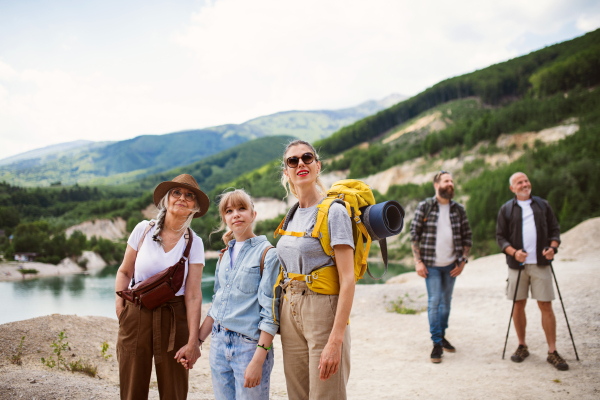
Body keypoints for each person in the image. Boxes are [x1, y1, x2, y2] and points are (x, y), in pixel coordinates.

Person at [179, 189, 280, 399]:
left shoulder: (268, 254)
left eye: (242, 208)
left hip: (249, 348)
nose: (236, 214)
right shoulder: (224, 255)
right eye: (229, 210)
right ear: (224, 218)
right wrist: (196, 343)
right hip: (218, 344)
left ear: (253, 214)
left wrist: (258, 360)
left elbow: (270, 315)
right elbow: (218, 305)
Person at [115, 174, 208, 399]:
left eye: (189, 195)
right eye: (176, 193)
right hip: (137, 313)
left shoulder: (194, 242)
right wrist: (121, 310)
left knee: (174, 391)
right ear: (166, 200)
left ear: (194, 206)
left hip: (175, 318)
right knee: (132, 389)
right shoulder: (143, 230)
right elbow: (125, 272)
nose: (182, 198)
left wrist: (193, 341)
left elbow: (194, 295)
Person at [275, 140, 355, 399]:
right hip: (290, 311)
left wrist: (336, 339)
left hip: (323, 310)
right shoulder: (291, 214)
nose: (300, 163)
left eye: (307, 158)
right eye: (293, 160)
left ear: (317, 166)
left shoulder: (334, 212)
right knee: (297, 394)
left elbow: (348, 279)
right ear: (286, 172)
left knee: (326, 393)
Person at [496, 172, 567, 370]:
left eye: (526, 180)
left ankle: (552, 351)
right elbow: (500, 237)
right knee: (518, 304)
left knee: (546, 305)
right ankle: (522, 345)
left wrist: (553, 248)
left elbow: (555, 230)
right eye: (519, 182)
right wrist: (513, 252)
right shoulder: (506, 209)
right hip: (517, 264)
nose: (524, 184)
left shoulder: (543, 205)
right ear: (512, 188)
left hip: (541, 262)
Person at [410, 170, 472, 363]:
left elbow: (467, 236)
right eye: (446, 181)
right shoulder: (425, 206)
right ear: (436, 185)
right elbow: (414, 234)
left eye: (452, 181)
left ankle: (441, 335)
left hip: (452, 265)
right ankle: (437, 343)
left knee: (446, 303)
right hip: (431, 266)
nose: (450, 184)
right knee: (435, 301)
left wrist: (463, 261)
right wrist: (418, 261)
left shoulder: (458, 209)